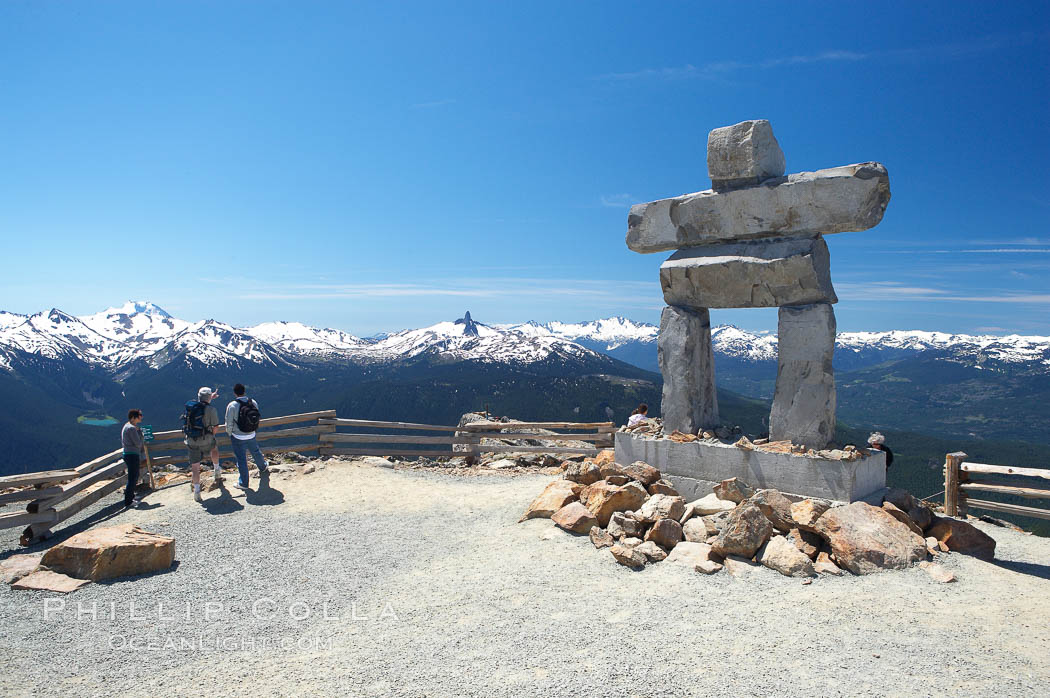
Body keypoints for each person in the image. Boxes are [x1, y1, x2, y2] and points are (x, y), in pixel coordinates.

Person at [225, 383, 267, 490]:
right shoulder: (253, 402)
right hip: (251, 433)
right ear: (244, 391)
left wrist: (230, 433)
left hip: (238, 436)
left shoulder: (232, 405)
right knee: (256, 451)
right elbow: (257, 417)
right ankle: (263, 467)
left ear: (235, 393)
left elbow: (229, 423)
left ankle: (244, 483)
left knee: (241, 459)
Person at [184, 386, 222, 502]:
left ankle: (197, 492)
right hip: (206, 439)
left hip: (191, 440)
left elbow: (202, 405)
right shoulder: (211, 409)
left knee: (195, 467)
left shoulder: (192, 407)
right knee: (214, 448)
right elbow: (215, 426)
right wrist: (212, 435)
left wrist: (211, 397)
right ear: (209, 397)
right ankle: (217, 472)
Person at [121, 409, 146, 508]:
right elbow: (138, 443)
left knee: (133, 476)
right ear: (133, 417)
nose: (141, 417)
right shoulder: (131, 428)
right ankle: (128, 501)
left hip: (128, 454)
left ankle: (130, 497)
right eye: (139, 415)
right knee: (133, 477)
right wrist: (140, 434)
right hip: (132, 455)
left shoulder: (127, 426)